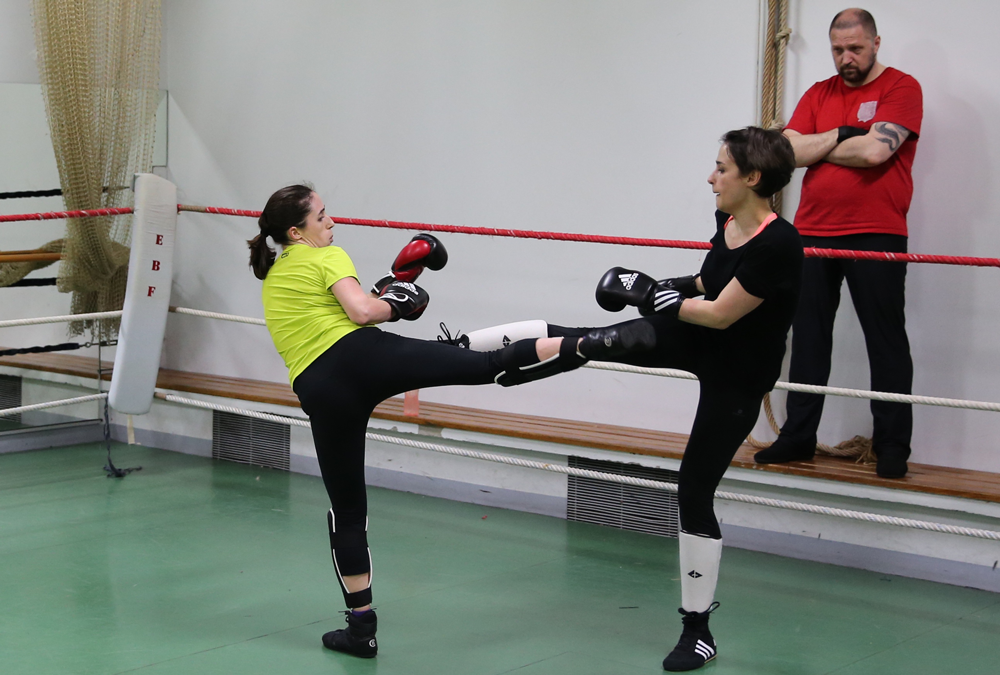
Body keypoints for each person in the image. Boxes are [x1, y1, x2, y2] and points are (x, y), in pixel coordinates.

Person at [444, 127, 801, 671]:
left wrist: (656, 295)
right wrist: (661, 287)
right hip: (698, 338)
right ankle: (470, 352)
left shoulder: (780, 243)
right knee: (592, 338)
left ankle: (697, 631)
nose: (711, 177)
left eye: (721, 168)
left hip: (739, 372)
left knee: (693, 488)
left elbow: (723, 312)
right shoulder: (727, 222)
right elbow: (707, 284)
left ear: (752, 178)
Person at [249, 184, 634, 658]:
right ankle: (597, 342)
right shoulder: (328, 257)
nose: (332, 223)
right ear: (297, 230)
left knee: (347, 511)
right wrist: (397, 302)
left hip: (320, 391)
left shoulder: (275, 276)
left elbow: (337, 315)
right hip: (359, 358)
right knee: (483, 364)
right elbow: (363, 312)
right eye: (323, 217)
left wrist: (393, 287)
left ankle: (360, 628)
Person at [753, 8, 923, 479]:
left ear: (876, 43)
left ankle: (892, 448)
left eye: (856, 48)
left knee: (885, 341)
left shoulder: (901, 88)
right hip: (811, 233)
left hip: (878, 232)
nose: (847, 58)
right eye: (837, 50)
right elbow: (786, 153)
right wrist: (845, 134)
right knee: (807, 338)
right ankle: (797, 437)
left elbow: (875, 152)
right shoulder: (818, 93)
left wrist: (822, 143)